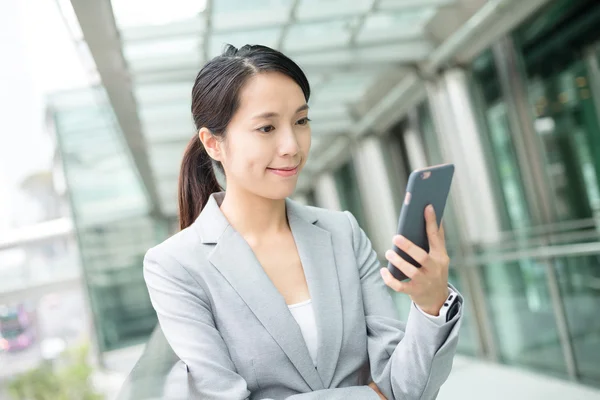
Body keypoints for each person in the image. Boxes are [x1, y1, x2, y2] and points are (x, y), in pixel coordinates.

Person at [143, 44, 463, 400]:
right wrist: (371, 395)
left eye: (301, 121)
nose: (291, 146)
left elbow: (405, 389)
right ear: (213, 144)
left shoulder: (342, 232)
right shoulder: (175, 265)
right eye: (266, 128)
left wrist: (430, 305)